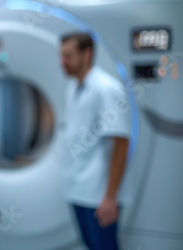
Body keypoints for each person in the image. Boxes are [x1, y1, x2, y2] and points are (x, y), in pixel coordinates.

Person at [60, 32, 130, 250]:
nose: (62, 62)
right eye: (61, 56)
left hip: (98, 193)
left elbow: (121, 143)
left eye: (68, 56)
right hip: (78, 190)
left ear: (87, 54)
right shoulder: (73, 88)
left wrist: (110, 197)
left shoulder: (106, 89)